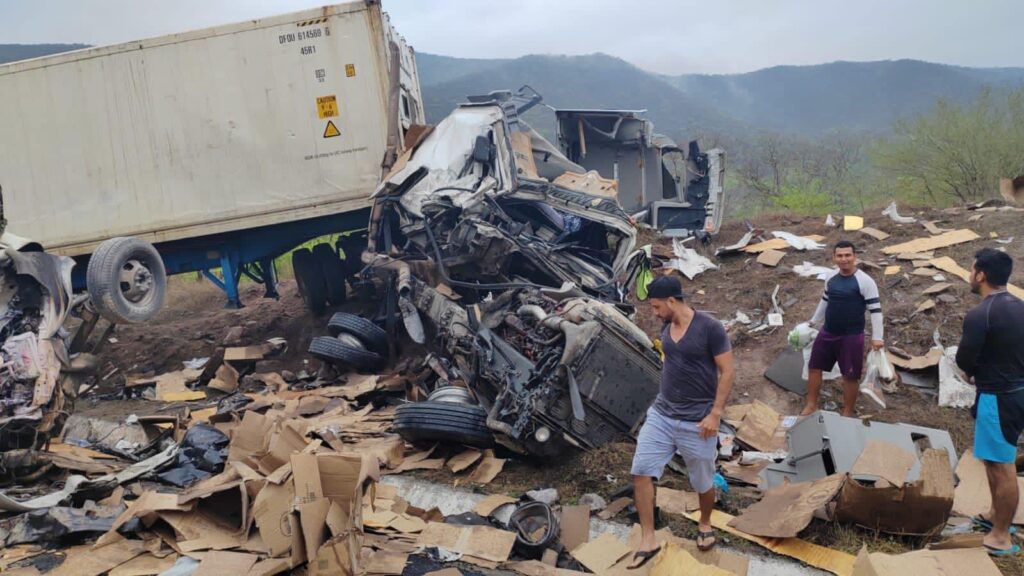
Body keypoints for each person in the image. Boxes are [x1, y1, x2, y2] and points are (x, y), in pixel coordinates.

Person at [628, 275, 734, 569]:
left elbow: (727, 371)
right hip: (661, 415)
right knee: (641, 471)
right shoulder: (667, 325)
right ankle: (648, 539)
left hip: (697, 422)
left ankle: (705, 522)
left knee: (701, 480)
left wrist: (715, 414)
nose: (654, 312)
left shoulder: (709, 328)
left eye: (657, 306)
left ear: (672, 301)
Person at [956, 248, 1024, 557]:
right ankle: (997, 517)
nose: (970, 275)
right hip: (1016, 391)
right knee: (994, 459)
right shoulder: (1019, 307)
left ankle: (1000, 537)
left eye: (972, 269)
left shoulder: (980, 313)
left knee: (1001, 465)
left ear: (981, 275)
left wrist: (972, 372)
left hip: (998, 396)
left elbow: (964, 358)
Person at [801, 240, 884, 417]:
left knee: (850, 376)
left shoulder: (865, 281)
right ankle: (811, 404)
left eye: (848, 255)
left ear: (855, 257)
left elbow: (876, 311)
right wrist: (813, 321)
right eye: (840, 255)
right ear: (834, 257)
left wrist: (878, 337)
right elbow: (825, 300)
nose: (844, 259)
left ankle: (847, 412)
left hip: (852, 336)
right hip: (828, 332)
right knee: (814, 367)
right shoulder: (831, 277)